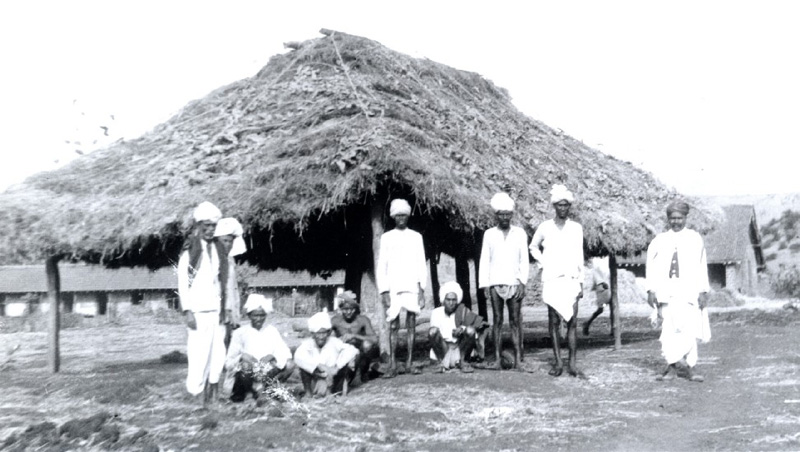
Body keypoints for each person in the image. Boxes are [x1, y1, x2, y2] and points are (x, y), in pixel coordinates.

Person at [646, 200, 711, 383]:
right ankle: (671, 368)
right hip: (666, 291)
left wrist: (703, 291)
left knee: (689, 329)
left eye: (679, 218)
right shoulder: (660, 240)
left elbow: (701, 266)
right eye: (672, 218)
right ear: (668, 219)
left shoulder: (694, 238)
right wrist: (651, 290)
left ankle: (692, 368)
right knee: (669, 330)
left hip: (689, 291)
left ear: (685, 218)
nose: (676, 221)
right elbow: (651, 266)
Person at [177, 201, 230, 404]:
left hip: (216, 310)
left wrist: (224, 309)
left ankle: (211, 393)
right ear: (199, 226)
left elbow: (221, 280)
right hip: (198, 310)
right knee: (199, 354)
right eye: (206, 226)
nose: (210, 230)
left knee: (217, 354)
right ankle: (195, 394)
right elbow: (183, 281)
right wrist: (188, 310)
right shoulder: (191, 249)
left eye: (213, 226)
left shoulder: (218, 249)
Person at [530, 185, 585, 378]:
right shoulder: (545, 227)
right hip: (552, 279)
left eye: (566, 205)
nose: (563, 208)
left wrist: (581, 282)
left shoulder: (576, 228)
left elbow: (579, 255)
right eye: (559, 205)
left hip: (571, 279)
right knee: (553, 322)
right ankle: (558, 363)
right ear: (554, 206)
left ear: (569, 206)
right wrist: (544, 263)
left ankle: (572, 363)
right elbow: (533, 247)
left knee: (572, 322)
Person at [376, 198, 427, 377]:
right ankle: (392, 364)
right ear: (393, 217)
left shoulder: (416, 237)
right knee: (394, 324)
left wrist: (422, 290)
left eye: (404, 215)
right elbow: (382, 265)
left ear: (408, 216)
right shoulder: (386, 237)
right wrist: (384, 290)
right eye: (398, 216)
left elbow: (421, 263)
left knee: (411, 323)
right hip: (393, 285)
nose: (401, 219)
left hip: (411, 284)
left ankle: (409, 362)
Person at [478, 192, 529, 370]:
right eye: (501, 214)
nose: (505, 218)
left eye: (508, 214)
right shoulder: (489, 234)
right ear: (496, 215)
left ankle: (518, 359)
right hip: (495, 282)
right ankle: (498, 359)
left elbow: (524, 259)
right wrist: (485, 284)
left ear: (511, 215)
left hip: (514, 282)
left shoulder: (519, 233)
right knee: (497, 320)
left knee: (515, 320)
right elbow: (485, 259)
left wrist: (522, 282)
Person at [224, 294, 295, 403]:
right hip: (245, 376)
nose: (259, 319)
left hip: (266, 372)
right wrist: (242, 357)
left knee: (290, 364)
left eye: (262, 315)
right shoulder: (240, 333)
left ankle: (268, 389)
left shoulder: (271, 331)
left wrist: (272, 356)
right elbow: (228, 363)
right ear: (249, 315)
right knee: (245, 366)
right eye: (255, 315)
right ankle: (248, 393)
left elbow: (285, 353)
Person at [294, 312, 360, 398]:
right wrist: (319, 366)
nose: (321, 337)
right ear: (313, 334)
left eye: (324, 333)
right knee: (303, 366)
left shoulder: (334, 342)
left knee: (346, 363)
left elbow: (353, 350)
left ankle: (334, 392)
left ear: (328, 333)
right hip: (317, 377)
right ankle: (308, 393)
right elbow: (298, 356)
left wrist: (336, 368)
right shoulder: (307, 344)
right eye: (318, 333)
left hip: (333, 378)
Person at [428, 281, 489, 373]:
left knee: (470, 330)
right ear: (443, 300)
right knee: (432, 331)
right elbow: (434, 334)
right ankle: (441, 363)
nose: (451, 303)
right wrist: (452, 333)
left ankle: (463, 362)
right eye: (448, 300)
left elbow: (476, 329)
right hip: (443, 349)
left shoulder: (462, 311)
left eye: (454, 300)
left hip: (460, 350)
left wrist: (462, 329)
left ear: (457, 301)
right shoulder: (436, 313)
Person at [330, 290, 380, 382]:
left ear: (355, 309)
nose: (349, 312)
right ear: (341, 309)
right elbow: (325, 338)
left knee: (367, 344)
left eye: (352, 309)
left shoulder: (363, 320)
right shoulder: (335, 321)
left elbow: (374, 339)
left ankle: (363, 372)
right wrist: (338, 340)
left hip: (359, 352)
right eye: (345, 309)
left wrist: (354, 336)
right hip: (342, 352)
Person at [214, 217, 247, 347]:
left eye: (230, 241)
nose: (228, 244)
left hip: (229, 313)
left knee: (228, 344)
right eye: (225, 241)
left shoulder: (230, 260)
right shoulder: (212, 261)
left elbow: (233, 289)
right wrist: (225, 310)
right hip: (218, 312)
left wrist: (234, 315)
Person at [582, 260, 612, 336]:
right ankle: (587, 323)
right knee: (601, 308)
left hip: (604, 288)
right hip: (603, 289)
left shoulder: (596, 268)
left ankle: (613, 329)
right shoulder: (595, 269)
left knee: (609, 307)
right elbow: (599, 280)